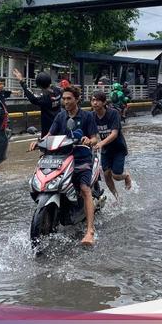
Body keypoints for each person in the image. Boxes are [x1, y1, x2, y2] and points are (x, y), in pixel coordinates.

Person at [29, 86, 99, 246]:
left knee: (84, 189)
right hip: (61, 158)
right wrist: (39, 142)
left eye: (69, 99)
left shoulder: (87, 116)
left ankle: (90, 231)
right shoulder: (60, 116)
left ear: (77, 99)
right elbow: (50, 135)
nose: (65, 101)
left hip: (81, 159)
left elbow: (95, 138)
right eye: (64, 99)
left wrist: (89, 140)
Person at [91, 91, 132, 202]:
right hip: (106, 150)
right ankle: (116, 197)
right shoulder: (92, 116)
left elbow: (114, 134)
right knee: (106, 174)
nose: (95, 103)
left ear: (104, 102)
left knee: (116, 175)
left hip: (118, 148)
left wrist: (100, 143)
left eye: (97, 100)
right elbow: (91, 134)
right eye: (93, 100)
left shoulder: (113, 113)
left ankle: (126, 175)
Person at [14, 68, 62, 137]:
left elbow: (32, 97)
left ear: (39, 85)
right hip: (59, 127)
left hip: (48, 131)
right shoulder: (57, 91)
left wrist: (22, 81)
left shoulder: (45, 99)